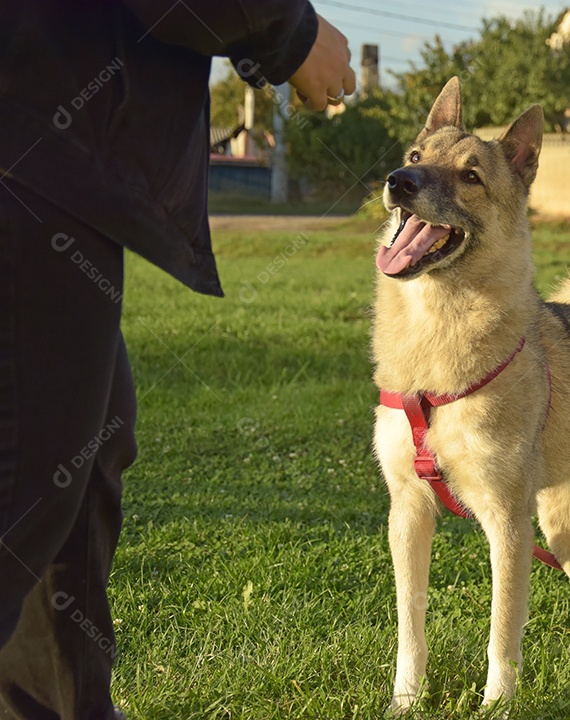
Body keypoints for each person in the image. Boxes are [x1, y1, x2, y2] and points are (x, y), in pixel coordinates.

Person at [0, 1, 355, 717]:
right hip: (28, 137)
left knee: (87, 445)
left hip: (45, 142)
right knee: (26, 473)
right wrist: (293, 33)